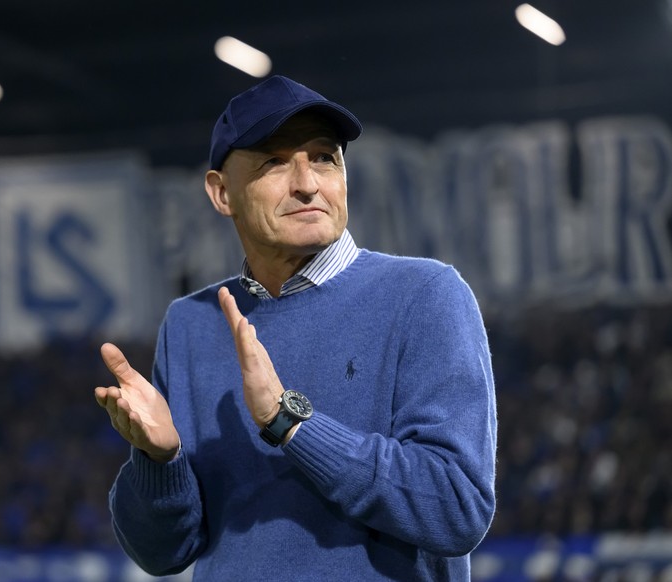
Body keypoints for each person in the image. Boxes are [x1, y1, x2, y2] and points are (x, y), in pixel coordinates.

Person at [94, 75, 497, 581]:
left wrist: (291, 424)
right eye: (274, 162)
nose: (307, 183)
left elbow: (457, 508)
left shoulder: (426, 295)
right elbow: (164, 554)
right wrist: (158, 461)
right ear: (222, 194)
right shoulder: (191, 323)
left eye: (325, 157)